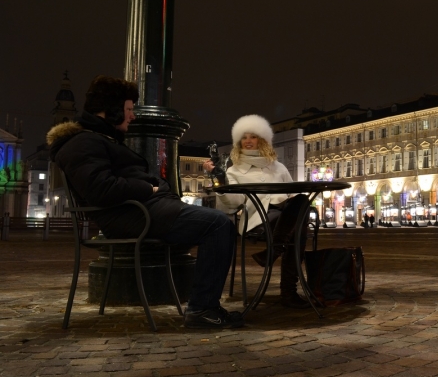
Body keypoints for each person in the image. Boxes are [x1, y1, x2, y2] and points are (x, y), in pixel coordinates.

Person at [47, 75, 243, 329]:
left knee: (218, 223)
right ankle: (202, 309)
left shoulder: (96, 139)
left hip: (143, 211)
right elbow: (100, 189)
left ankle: (205, 306)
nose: (133, 116)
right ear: (111, 110)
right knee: (217, 224)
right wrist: (148, 188)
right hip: (132, 216)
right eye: (128, 110)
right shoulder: (83, 143)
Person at [204, 114, 311, 309]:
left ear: (261, 140)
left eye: (252, 136)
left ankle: (273, 251)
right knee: (299, 226)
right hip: (258, 219)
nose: (248, 141)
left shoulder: (278, 167)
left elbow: (293, 195)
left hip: (284, 217)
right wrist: (218, 179)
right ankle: (289, 292)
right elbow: (233, 203)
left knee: (301, 205)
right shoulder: (233, 171)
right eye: (244, 137)